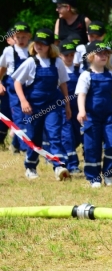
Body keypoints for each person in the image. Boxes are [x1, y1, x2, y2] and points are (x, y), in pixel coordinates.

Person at [12, 29, 71, 181]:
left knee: (54, 134)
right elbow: (17, 82)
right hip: (34, 107)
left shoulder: (57, 62)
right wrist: (24, 101)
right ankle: (30, 166)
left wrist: (67, 105)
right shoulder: (31, 62)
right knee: (34, 138)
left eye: (43, 44)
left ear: (50, 46)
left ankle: (58, 166)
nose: (39, 46)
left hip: (53, 106)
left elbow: (63, 84)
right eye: (37, 43)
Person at [77, 41, 112, 188]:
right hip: (91, 118)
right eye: (100, 53)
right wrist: (81, 111)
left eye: (106, 53)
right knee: (92, 148)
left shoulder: (111, 75)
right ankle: (93, 177)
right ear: (91, 56)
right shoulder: (85, 76)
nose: (104, 56)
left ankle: (108, 173)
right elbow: (81, 95)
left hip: (109, 118)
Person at [0, 23, 32, 154]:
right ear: (13, 37)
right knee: (18, 117)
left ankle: (15, 143)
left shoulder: (32, 50)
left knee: (29, 117)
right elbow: (1, 69)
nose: (21, 40)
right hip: (13, 88)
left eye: (24, 37)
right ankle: (25, 147)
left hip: (29, 88)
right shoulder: (9, 51)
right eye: (18, 37)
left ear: (29, 37)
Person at [59, 35, 84, 175]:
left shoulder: (79, 71)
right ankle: (73, 165)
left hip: (77, 110)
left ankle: (61, 155)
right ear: (60, 55)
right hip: (62, 109)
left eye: (72, 55)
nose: (69, 58)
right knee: (67, 136)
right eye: (66, 55)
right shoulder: (57, 70)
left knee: (77, 137)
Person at [0, 28, 18, 150]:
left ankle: (17, 144)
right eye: (15, 37)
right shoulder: (8, 52)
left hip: (23, 89)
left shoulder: (29, 52)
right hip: (8, 87)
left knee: (20, 117)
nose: (18, 40)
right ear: (8, 40)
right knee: (5, 114)